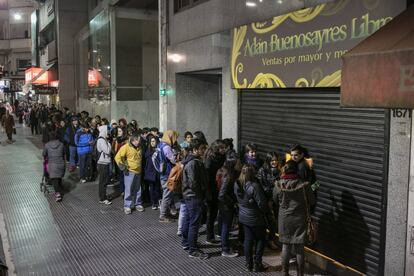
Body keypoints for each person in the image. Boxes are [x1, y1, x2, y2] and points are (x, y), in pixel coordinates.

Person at [273, 160, 315, 276]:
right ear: (297, 170)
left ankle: (285, 272)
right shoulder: (304, 185)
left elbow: (275, 200)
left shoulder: (278, 185)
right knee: (299, 247)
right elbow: (312, 201)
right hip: (300, 219)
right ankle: (300, 274)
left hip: (284, 220)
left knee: (286, 246)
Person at [235, 165, 269, 272]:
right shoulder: (255, 186)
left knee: (248, 240)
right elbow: (262, 204)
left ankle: (248, 263)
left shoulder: (237, 184)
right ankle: (257, 264)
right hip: (256, 218)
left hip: (244, 217)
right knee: (260, 240)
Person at [181, 138, 209, 260]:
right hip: (194, 196)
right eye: (202, 148)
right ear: (195, 150)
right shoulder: (193, 163)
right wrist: (201, 194)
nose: (204, 150)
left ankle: (187, 243)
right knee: (194, 223)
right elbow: (193, 183)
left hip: (189, 195)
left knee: (188, 219)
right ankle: (193, 249)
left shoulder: (191, 160)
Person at [217, 156, 241, 258]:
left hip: (223, 205)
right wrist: (232, 202)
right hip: (226, 205)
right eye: (238, 163)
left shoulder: (223, 171)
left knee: (223, 225)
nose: (240, 165)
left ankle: (224, 244)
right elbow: (222, 194)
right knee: (226, 226)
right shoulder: (228, 176)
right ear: (233, 165)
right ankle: (225, 249)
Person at [115, 132, 144, 214]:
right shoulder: (126, 147)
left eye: (138, 140)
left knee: (138, 189)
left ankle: (137, 203)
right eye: (136, 140)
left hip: (138, 171)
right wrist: (123, 167)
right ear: (132, 140)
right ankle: (127, 206)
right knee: (128, 189)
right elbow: (117, 157)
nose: (138, 142)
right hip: (129, 171)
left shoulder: (139, 147)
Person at [257, 151, 282, 249]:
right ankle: (268, 240)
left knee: (275, 221)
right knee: (270, 222)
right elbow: (261, 187)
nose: (274, 162)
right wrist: (274, 186)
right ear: (268, 161)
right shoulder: (262, 170)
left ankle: (271, 239)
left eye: (276, 160)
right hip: (267, 200)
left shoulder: (280, 170)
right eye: (272, 160)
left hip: (277, 200)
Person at [204, 139, 226, 244]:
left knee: (215, 212)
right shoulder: (210, 159)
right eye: (222, 148)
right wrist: (208, 192)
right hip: (212, 189)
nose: (224, 150)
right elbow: (207, 177)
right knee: (211, 213)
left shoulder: (220, 157)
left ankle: (215, 233)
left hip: (218, 188)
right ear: (217, 149)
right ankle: (210, 236)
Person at [158, 130, 179, 223]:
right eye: (174, 137)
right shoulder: (166, 147)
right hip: (167, 174)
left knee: (166, 194)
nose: (175, 139)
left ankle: (166, 213)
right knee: (166, 195)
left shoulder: (160, 145)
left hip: (162, 173)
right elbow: (173, 160)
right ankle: (162, 216)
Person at [42, 131, 66, 202]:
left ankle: (58, 194)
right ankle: (60, 189)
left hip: (52, 164)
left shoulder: (47, 145)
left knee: (54, 179)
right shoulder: (61, 144)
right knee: (58, 177)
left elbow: (44, 154)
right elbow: (64, 152)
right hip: (60, 163)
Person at [96, 125, 113, 205]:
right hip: (102, 163)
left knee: (104, 181)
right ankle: (102, 198)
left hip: (104, 162)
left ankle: (103, 196)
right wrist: (109, 144)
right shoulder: (102, 140)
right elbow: (107, 151)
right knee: (103, 181)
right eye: (107, 131)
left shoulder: (103, 139)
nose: (108, 132)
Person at [144, 134, 161, 210]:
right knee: (152, 187)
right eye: (151, 141)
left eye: (154, 141)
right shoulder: (148, 151)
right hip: (150, 172)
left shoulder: (159, 150)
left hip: (157, 171)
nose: (153, 143)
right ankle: (153, 203)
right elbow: (146, 158)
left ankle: (158, 202)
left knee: (157, 187)